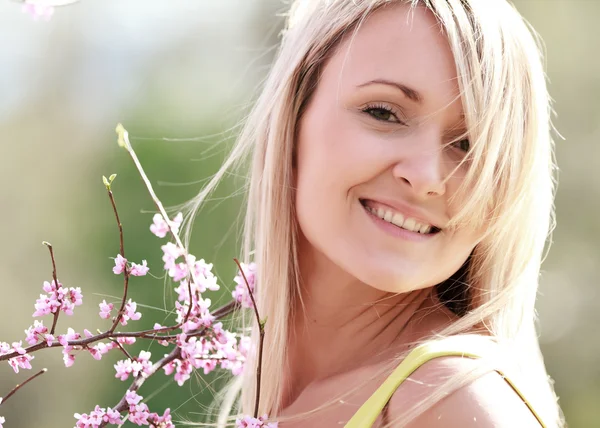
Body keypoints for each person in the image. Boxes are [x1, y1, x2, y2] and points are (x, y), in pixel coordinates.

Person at [184, 0, 565, 426]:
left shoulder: (451, 403)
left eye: (469, 146)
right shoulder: (279, 400)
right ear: (291, 117)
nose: (425, 177)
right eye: (384, 113)